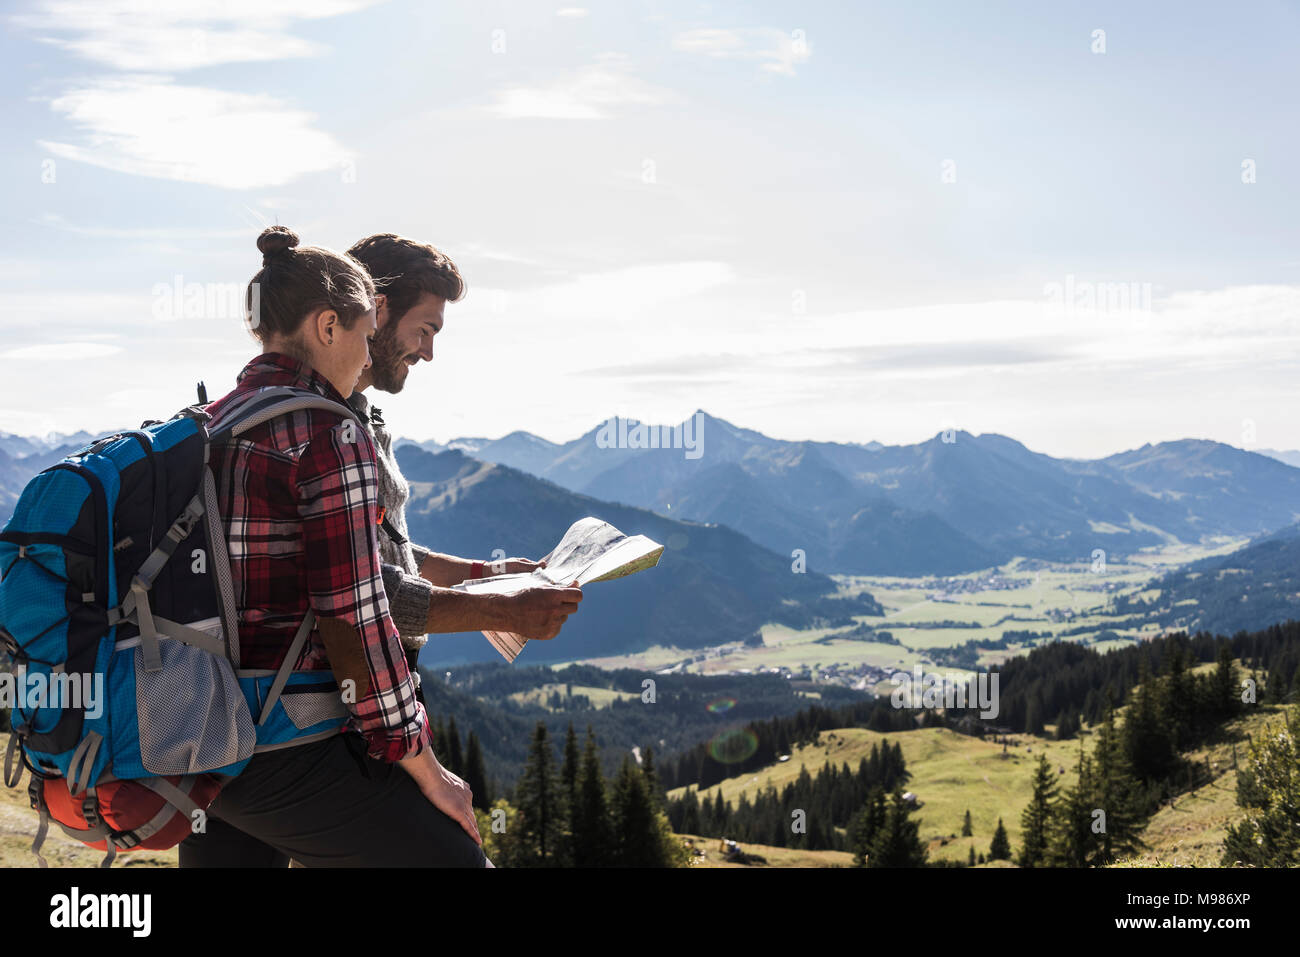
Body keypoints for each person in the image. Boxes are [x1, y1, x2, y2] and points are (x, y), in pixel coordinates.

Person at [178, 226, 484, 867]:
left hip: (201, 733)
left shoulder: (212, 421)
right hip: (288, 735)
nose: (369, 351)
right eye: (364, 334)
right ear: (326, 328)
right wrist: (428, 769)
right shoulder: (328, 433)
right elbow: (355, 614)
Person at [343, 232, 584, 688]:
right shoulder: (328, 428)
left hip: (373, 682)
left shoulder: (362, 418)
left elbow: (384, 554)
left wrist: (496, 573)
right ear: (378, 309)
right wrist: (507, 610)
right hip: (340, 700)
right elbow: (362, 589)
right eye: (425, 330)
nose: (428, 354)